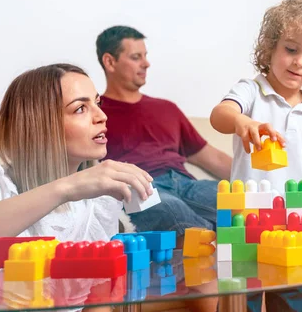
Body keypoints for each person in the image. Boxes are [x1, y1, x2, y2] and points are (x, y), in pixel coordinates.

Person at [0, 64, 153, 271]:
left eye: (97, 103)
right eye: (80, 108)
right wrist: (66, 188)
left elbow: (98, 293)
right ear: (40, 125)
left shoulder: (100, 201)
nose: (101, 116)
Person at [210, 0, 302, 220]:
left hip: (294, 217)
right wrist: (242, 121)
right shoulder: (251, 91)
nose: (299, 62)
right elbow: (219, 115)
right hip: (246, 215)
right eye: (291, 50)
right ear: (271, 47)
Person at [96, 26, 232, 242]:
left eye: (145, 56)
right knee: (172, 213)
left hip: (187, 183)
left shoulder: (167, 109)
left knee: (238, 202)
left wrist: (264, 181)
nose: (146, 63)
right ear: (110, 62)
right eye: (135, 57)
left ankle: (210, 235)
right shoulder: (96, 112)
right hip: (143, 186)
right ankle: (214, 236)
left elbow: (212, 157)